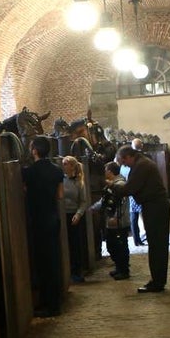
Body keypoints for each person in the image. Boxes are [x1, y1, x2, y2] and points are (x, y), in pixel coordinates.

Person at [112, 144, 170, 292]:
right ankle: (158, 280)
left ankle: (157, 282)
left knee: (157, 245)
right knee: (157, 244)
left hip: (155, 207)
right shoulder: (142, 162)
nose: (125, 166)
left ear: (128, 157)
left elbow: (129, 188)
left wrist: (113, 185)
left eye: (124, 162)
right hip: (154, 206)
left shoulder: (141, 165)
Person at [22, 135, 65, 317]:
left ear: (34, 151)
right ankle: (55, 301)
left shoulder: (28, 172)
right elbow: (60, 195)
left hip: (37, 220)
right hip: (52, 218)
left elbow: (23, 192)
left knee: (42, 264)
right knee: (53, 261)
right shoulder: (57, 170)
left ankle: (49, 305)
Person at [91, 161, 131, 280]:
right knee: (112, 245)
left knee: (120, 246)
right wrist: (92, 208)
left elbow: (123, 204)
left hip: (119, 222)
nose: (104, 173)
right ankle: (119, 267)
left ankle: (124, 270)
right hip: (111, 221)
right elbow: (105, 200)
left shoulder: (120, 184)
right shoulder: (112, 184)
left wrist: (117, 217)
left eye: (105, 170)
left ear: (110, 171)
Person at [61, 155, 88, 284]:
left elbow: (83, 201)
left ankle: (76, 271)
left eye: (65, 164)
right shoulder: (61, 179)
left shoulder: (79, 182)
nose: (63, 166)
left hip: (74, 216)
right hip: (62, 215)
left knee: (75, 245)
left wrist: (78, 214)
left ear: (72, 166)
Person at [124, 138, 146, 246]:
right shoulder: (142, 159)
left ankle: (136, 239)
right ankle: (146, 235)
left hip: (129, 190)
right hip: (140, 190)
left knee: (134, 215)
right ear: (141, 146)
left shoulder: (125, 160)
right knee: (144, 215)